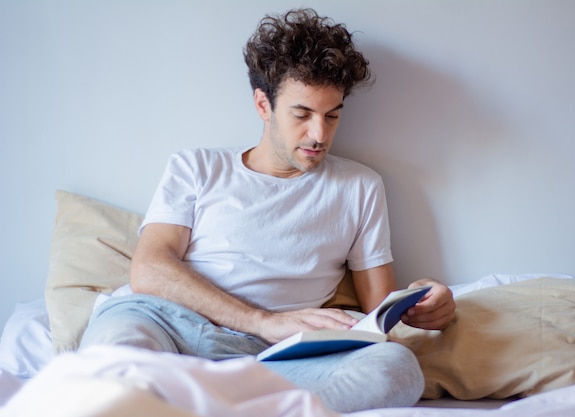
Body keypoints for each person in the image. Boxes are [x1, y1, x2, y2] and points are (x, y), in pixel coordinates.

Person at [80, 8, 456, 413]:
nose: (319, 134)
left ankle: (202, 404)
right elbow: (149, 268)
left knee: (397, 370)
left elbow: (379, 310)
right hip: (170, 326)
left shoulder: (360, 186)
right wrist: (262, 321)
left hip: (279, 358)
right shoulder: (197, 167)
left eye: (332, 116)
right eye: (302, 114)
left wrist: (424, 300)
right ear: (263, 105)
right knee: (116, 355)